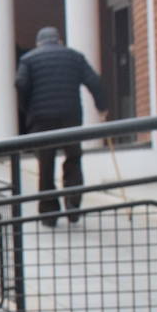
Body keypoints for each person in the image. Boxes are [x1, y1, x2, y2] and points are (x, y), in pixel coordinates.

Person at [14, 25, 107, 226]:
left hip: (41, 119)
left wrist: (27, 109)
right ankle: (73, 206)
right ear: (59, 40)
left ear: (39, 43)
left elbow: (20, 83)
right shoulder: (74, 57)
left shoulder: (28, 59)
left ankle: (49, 214)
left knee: (46, 166)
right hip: (70, 116)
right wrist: (102, 107)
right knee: (73, 158)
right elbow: (94, 81)